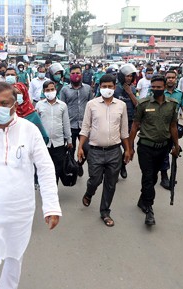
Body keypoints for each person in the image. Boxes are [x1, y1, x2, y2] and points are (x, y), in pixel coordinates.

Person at [0, 82, 62, 289]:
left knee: (13, 257)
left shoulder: (30, 130)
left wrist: (51, 206)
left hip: (20, 208)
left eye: (4, 103)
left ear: (14, 105)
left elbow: (45, 168)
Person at [79, 74, 131, 226]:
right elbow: (85, 127)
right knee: (94, 179)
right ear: (99, 87)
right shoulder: (92, 104)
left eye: (110, 86)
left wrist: (127, 149)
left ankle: (105, 212)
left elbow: (124, 131)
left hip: (114, 151)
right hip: (95, 150)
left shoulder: (121, 105)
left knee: (111, 183)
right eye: (104, 86)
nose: (107, 89)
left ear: (115, 87)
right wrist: (80, 147)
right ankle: (89, 193)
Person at [128, 75, 180, 226]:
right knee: (148, 176)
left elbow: (173, 126)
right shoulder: (143, 104)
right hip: (145, 147)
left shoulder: (172, 104)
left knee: (154, 177)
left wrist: (176, 146)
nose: (156, 89)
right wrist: (130, 148)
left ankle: (142, 199)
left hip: (163, 147)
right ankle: (149, 208)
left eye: (159, 87)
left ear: (165, 87)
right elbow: (135, 125)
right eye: (153, 87)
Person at [159, 70, 183, 189]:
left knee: (170, 150)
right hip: (160, 125)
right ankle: (164, 176)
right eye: (168, 77)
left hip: (173, 126)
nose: (170, 79)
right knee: (164, 152)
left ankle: (164, 175)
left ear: (176, 79)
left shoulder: (179, 94)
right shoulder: (159, 91)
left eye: (172, 77)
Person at [36, 80, 72, 184]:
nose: (50, 92)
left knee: (57, 168)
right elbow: (36, 124)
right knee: (45, 167)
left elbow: (66, 123)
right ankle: (45, 186)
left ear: (55, 90)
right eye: (47, 90)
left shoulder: (62, 105)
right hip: (44, 143)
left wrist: (69, 140)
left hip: (59, 143)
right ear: (44, 91)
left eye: (52, 89)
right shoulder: (39, 105)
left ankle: (53, 187)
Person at [60, 64, 93, 168]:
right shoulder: (64, 90)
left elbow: (91, 105)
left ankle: (79, 165)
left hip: (84, 125)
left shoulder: (87, 89)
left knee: (87, 149)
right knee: (71, 149)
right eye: (73, 73)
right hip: (70, 125)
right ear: (69, 75)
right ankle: (73, 167)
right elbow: (62, 107)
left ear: (81, 74)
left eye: (78, 73)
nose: (75, 75)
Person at [114, 64, 138, 179]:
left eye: (131, 76)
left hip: (129, 123)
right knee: (115, 148)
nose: (129, 78)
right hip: (116, 123)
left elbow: (137, 105)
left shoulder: (132, 89)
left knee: (129, 149)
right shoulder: (115, 88)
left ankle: (123, 165)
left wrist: (130, 92)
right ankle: (116, 167)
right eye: (127, 76)